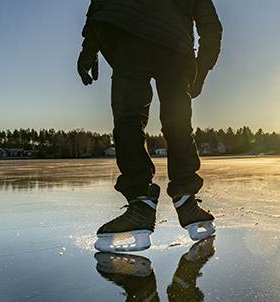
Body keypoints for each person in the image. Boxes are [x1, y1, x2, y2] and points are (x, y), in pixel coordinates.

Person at [77, 0, 223, 252]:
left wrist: (89, 47)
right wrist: (202, 69)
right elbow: (210, 25)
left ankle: (143, 200)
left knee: (130, 119)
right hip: (164, 42)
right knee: (172, 122)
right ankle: (178, 199)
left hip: (136, 38)